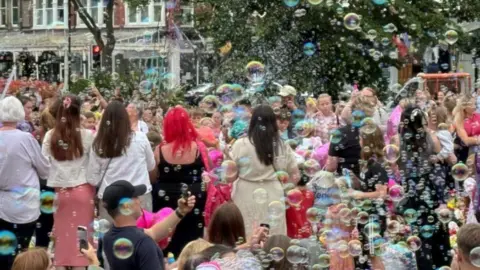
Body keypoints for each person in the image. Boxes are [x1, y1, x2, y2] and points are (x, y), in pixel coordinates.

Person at [41, 94, 95, 270]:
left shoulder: (50, 135)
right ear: (78, 112)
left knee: (62, 245)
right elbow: (95, 168)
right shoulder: (87, 135)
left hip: (60, 193)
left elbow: (44, 166)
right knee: (81, 246)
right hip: (83, 192)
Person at [230, 105, 300, 236]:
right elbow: (295, 174)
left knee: (247, 233)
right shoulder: (281, 145)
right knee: (273, 237)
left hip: (245, 194)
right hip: (273, 194)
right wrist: (286, 190)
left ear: (253, 122)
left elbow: (230, 175)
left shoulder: (241, 144)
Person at [0, 96, 50, 270]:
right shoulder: (26, 139)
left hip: (2, 205)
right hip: (25, 204)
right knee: (22, 252)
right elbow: (44, 169)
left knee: (4, 251)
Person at [101, 180, 195, 270]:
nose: (140, 201)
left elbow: (153, 233)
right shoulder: (144, 243)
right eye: (136, 197)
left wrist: (180, 211)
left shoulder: (109, 237)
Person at [152, 106, 208, 257]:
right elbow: (209, 172)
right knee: (192, 242)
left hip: (165, 201)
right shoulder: (198, 148)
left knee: (168, 239)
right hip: (194, 199)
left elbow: (153, 175)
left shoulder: (160, 150)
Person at [87, 101, 156, 221]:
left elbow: (92, 178)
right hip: (139, 197)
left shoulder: (98, 143)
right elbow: (151, 166)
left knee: (111, 237)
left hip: (110, 199)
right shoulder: (140, 138)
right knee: (141, 236)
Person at [327, 95, 373, 177]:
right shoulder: (375, 132)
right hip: (369, 178)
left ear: (352, 112)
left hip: (346, 180)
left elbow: (331, 167)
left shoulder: (339, 133)